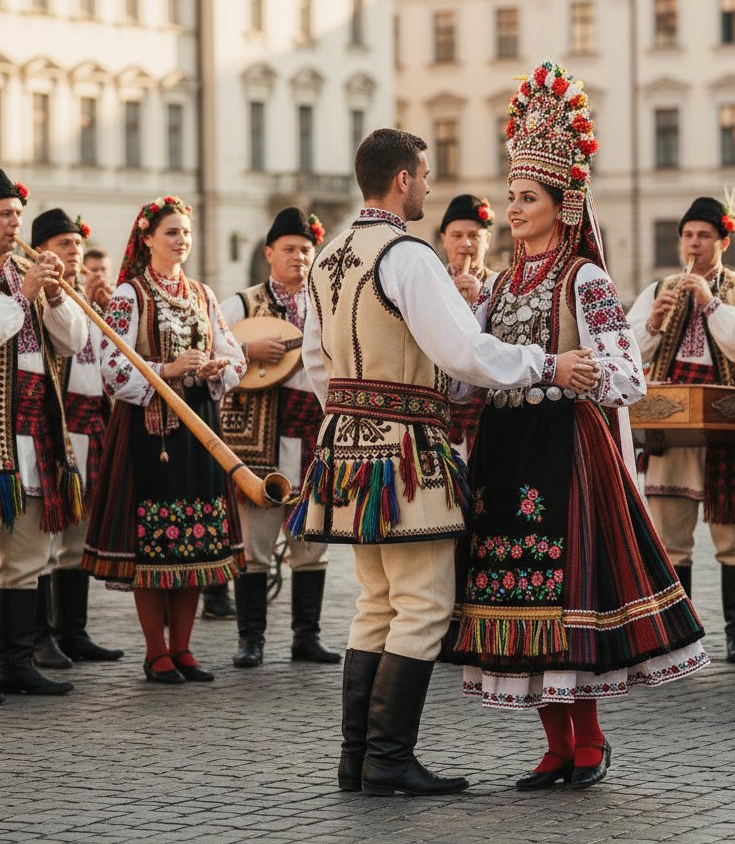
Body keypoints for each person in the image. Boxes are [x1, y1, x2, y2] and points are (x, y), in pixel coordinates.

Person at [285, 127, 597, 796]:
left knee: (375, 602)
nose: (428, 186)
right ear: (402, 180)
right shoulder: (408, 256)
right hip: (405, 456)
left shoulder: (328, 255)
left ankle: (357, 759)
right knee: (424, 604)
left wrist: (353, 406)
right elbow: (463, 353)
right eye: (423, 175)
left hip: (346, 447)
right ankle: (389, 761)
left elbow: (315, 362)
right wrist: (546, 362)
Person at [446, 59, 707, 791]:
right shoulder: (498, 284)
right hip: (504, 449)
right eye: (511, 195)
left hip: (565, 451)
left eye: (527, 197)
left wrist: (582, 369)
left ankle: (587, 739)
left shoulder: (583, 279)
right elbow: (468, 371)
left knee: (568, 592)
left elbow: (628, 373)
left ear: (562, 205)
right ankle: (554, 743)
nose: (514, 208)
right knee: (515, 590)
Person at [82, 196, 245, 685]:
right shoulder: (130, 296)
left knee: (195, 541)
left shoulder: (202, 293)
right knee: (153, 542)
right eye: (172, 232)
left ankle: (184, 648)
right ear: (148, 238)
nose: (181, 241)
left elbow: (233, 354)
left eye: (186, 234)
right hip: (150, 432)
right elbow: (112, 368)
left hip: (199, 427)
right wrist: (166, 370)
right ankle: (156, 652)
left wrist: (218, 369)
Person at [628, 196, 735, 663]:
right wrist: (653, 320)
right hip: (671, 421)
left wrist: (710, 304)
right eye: (688, 235)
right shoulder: (659, 288)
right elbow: (629, 354)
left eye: (704, 236)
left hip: (727, 421)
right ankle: (679, 634)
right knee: (671, 536)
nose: (694, 243)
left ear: (723, 241)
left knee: (734, 538)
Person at [0, 169, 87, 704]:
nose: (15, 223)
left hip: (37, 431)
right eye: (4, 214)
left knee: (28, 556)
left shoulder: (25, 270)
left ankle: (17, 663)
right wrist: (24, 298)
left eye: (18, 214)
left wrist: (58, 298)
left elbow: (73, 342)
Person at [219, 206, 339, 667]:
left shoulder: (326, 303)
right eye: (289, 249)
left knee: (312, 544)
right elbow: (215, 354)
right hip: (259, 437)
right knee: (256, 547)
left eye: (306, 250)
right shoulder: (242, 305)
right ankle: (252, 639)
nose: (299, 257)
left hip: (313, 436)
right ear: (269, 253)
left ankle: (306, 636)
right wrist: (246, 350)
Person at [28, 209, 123, 668]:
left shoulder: (85, 295)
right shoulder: (42, 295)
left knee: (77, 538)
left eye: (77, 246)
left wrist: (104, 310)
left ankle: (74, 631)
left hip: (92, 426)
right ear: (42, 249)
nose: (75, 253)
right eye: (65, 245)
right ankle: (40, 636)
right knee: (46, 536)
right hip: (58, 426)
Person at [438, 194, 497, 455]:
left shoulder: (500, 285)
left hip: (484, 411)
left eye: (475, 235)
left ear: (488, 239)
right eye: (457, 235)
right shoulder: (431, 283)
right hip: (437, 411)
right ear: (443, 239)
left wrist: (480, 300)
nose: (466, 244)